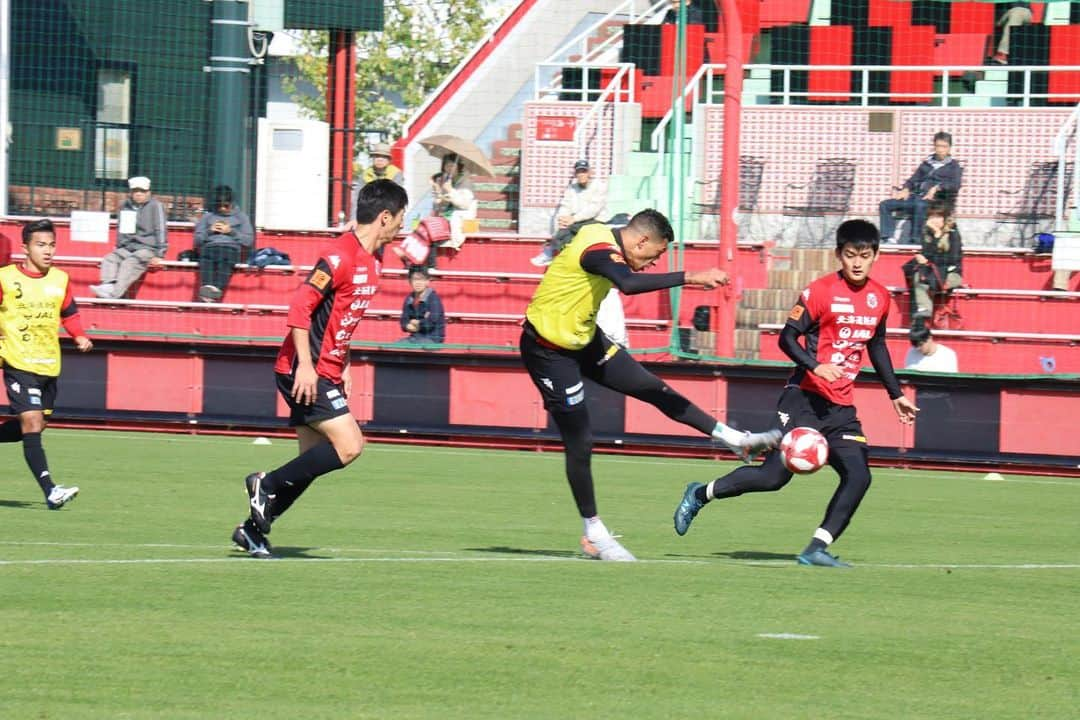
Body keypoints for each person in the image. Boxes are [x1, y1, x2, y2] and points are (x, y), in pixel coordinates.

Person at [520, 208, 781, 562]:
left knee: (653, 389)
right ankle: (594, 533)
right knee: (580, 439)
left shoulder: (602, 236)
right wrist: (691, 276)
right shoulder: (599, 251)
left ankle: (737, 440)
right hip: (548, 351)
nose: (653, 262)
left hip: (584, 339)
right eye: (655, 254)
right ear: (641, 240)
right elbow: (627, 283)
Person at [673, 219, 920, 568]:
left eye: (865, 255)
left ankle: (816, 548)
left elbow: (877, 346)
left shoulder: (880, 298)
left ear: (876, 256)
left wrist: (895, 394)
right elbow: (786, 338)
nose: (857, 262)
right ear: (839, 255)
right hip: (803, 398)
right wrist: (815, 366)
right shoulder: (819, 291)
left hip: (840, 408)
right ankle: (700, 493)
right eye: (850, 255)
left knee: (860, 475)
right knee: (772, 478)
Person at [232, 180, 408, 558]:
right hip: (302, 370)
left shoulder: (376, 259)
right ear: (384, 217)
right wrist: (308, 368)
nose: (401, 227)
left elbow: (339, 319)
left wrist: (343, 361)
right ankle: (265, 484)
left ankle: (251, 532)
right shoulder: (338, 257)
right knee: (349, 445)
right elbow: (299, 311)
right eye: (400, 219)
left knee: (309, 464)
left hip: (326, 368)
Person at [0, 219, 92, 509]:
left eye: (52, 245)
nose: (48, 251)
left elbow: (70, 313)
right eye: (41, 245)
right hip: (18, 361)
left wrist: (79, 336)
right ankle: (51, 490)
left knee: (35, 426)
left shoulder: (60, 280)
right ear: (26, 247)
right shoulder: (5, 279)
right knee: (30, 419)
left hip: (49, 365)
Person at [89, 176, 167, 299]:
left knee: (130, 263)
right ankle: (108, 286)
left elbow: (161, 229)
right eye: (136, 191)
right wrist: (119, 246)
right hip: (129, 246)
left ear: (149, 192)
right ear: (131, 192)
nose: (139, 194)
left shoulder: (156, 206)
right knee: (110, 258)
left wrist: (160, 253)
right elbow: (123, 229)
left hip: (148, 248)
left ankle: (114, 294)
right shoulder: (125, 206)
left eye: (142, 191)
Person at [878, 132, 963, 243]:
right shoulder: (927, 163)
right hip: (916, 197)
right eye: (938, 146)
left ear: (949, 148)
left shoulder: (953, 166)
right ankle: (887, 237)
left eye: (944, 146)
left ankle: (914, 241)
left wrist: (937, 188)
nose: (941, 149)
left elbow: (955, 185)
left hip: (935, 202)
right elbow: (913, 179)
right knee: (885, 205)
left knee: (919, 205)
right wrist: (906, 189)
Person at [531, 159, 609, 267]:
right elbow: (565, 205)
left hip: (596, 220)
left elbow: (594, 209)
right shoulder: (572, 188)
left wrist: (573, 219)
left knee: (570, 230)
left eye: (584, 171)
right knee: (563, 229)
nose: (581, 174)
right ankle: (556, 255)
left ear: (590, 173)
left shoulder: (600, 186)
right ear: (575, 174)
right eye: (579, 172)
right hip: (576, 220)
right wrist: (562, 218)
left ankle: (552, 253)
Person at [902, 203, 964, 324]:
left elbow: (952, 258)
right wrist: (923, 257)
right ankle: (922, 313)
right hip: (932, 273)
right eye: (931, 217)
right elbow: (928, 253)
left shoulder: (953, 234)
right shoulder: (927, 233)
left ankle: (922, 312)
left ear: (945, 218)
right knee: (917, 274)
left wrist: (938, 235)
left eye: (938, 216)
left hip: (951, 274)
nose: (934, 220)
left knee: (921, 278)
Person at [192, 185, 254, 303]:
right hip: (210, 247)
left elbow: (248, 240)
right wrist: (210, 231)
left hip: (229, 248)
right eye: (219, 205)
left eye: (226, 205)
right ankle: (208, 289)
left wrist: (231, 232)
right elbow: (197, 240)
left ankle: (214, 291)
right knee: (207, 258)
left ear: (231, 203)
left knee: (225, 258)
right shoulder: (208, 217)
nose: (222, 209)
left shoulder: (241, 217)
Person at [348, 142, 404, 225]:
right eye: (377, 156)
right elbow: (357, 199)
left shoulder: (396, 174)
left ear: (389, 160)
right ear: (372, 158)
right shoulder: (365, 174)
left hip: (389, 216)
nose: (380, 159)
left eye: (384, 157)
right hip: (368, 215)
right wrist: (353, 219)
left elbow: (397, 200)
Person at [430, 154, 476, 252]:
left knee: (430, 229)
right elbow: (438, 205)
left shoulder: (466, 182)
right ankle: (428, 264)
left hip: (461, 220)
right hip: (446, 218)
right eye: (447, 166)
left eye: (452, 166)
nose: (449, 168)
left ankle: (429, 265)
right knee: (428, 227)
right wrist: (438, 193)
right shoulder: (446, 181)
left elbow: (464, 204)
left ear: (458, 167)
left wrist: (450, 190)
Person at [399, 266, 446, 344]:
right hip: (414, 338)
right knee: (394, 348)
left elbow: (430, 323)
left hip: (433, 339)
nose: (418, 283)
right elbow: (403, 320)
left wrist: (416, 323)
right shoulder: (409, 299)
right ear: (409, 281)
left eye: (421, 279)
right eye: (415, 279)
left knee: (415, 348)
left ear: (427, 281)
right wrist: (407, 326)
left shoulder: (433, 299)